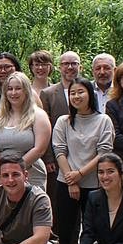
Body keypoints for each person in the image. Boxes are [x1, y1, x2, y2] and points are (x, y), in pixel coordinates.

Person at [51, 76, 115, 244]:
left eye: (81, 92)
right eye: (73, 93)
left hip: (95, 185)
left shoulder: (103, 120)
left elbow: (104, 151)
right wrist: (71, 177)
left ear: (90, 94)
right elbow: (59, 150)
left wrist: (79, 175)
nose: (76, 96)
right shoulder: (64, 121)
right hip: (65, 183)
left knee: (93, 231)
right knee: (66, 231)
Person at [0, 72, 50, 190]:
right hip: (0, 174)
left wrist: (15, 168)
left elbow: (39, 149)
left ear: (26, 90)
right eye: (10, 89)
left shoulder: (39, 116)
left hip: (30, 173)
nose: (13, 93)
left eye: (18, 88)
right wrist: (4, 168)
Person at [40, 51, 82, 192]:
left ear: (80, 67)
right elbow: (44, 128)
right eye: (65, 64)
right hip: (57, 157)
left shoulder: (89, 92)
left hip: (84, 156)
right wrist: (48, 158)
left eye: (74, 64)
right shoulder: (48, 93)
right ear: (59, 67)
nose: (70, 67)